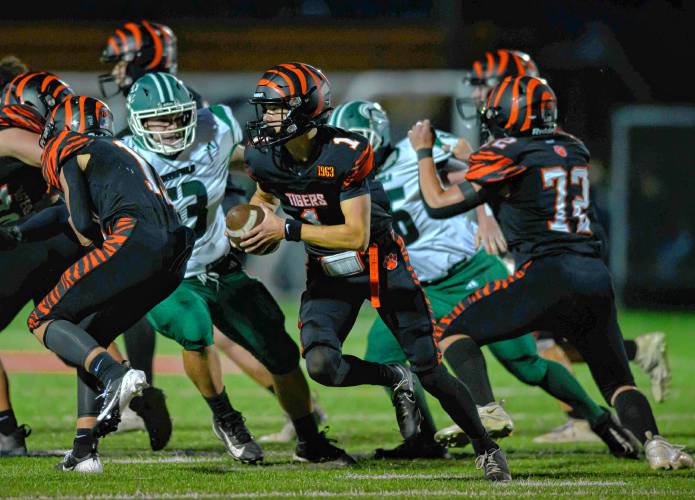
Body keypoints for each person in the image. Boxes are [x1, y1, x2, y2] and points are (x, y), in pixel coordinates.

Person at [240, 62, 511, 481]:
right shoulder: (264, 154)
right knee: (321, 366)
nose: (267, 118)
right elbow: (265, 194)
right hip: (329, 271)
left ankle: (486, 447)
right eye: (266, 109)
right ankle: (391, 376)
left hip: (380, 263)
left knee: (431, 371)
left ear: (306, 108)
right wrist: (255, 219)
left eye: (276, 108)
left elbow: (355, 234)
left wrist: (288, 228)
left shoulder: (346, 151)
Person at [329, 99, 637, 460]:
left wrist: (486, 213)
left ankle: (600, 420)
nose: (346, 151)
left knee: (526, 364)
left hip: (469, 271)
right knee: (383, 352)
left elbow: (480, 167)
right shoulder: (348, 180)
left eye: (353, 142)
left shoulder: (416, 152)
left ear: (374, 138)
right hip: (420, 286)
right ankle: (423, 440)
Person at [414, 74, 693, 471]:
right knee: (617, 382)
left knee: (454, 332)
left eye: (496, 111)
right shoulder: (572, 147)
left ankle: (486, 408)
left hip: (546, 274)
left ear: (513, 115)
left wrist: (424, 153)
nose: (491, 119)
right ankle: (656, 443)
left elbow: (438, 203)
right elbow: (522, 176)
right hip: (593, 276)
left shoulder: (507, 151)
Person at [121, 71, 345, 464]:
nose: (173, 127)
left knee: (280, 351)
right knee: (194, 328)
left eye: (179, 117)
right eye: (162, 119)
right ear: (139, 121)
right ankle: (226, 417)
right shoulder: (122, 157)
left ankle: (311, 441)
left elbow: (257, 163)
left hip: (219, 263)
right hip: (161, 277)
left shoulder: (217, 128)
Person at [456, 49, 671, 445]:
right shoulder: (550, 136)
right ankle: (634, 358)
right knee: (557, 334)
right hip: (576, 252)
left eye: (483, 85)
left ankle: (581, 416)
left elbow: (500, 180)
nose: (476, 96)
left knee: (532, 335)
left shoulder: (518, 128)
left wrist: (483, 211)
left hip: (541, 244)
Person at [2, 95, 194, 471]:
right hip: (174, 250)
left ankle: (116, 374)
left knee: (42, 320)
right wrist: (18, 234)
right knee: (87, 336)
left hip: (133, 237)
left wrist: (95, 245)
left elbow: (79, 221)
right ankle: (84, 450)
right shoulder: (118, 149)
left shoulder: (68, 145)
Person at [0, 69, 75, 456]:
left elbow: (60, 162)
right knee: (66, 330)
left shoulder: (12, 135)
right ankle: (124, 384)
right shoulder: (13, 134)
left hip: (28, 242)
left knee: (63, 329)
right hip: (42, 240)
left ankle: (5, 431)